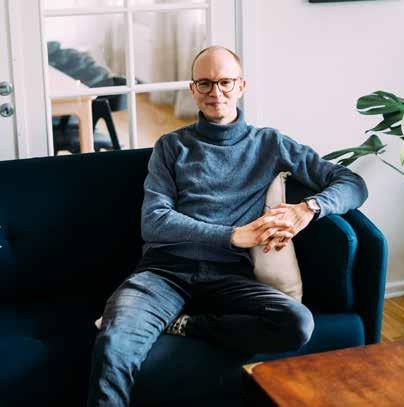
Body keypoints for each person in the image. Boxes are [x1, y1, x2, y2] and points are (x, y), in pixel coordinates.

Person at [87, 46, 368, 406]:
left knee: (297, 323)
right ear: (193, 90)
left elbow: (352, 183)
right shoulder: (171, 146)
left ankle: (186, 324)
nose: (215, 92)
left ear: (241, 86)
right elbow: (154, 220)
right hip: (164, 272)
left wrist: (309, 209)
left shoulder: (270, 144)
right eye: (205, 83)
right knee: (114, 344)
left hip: (229, 279)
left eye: (225, 82)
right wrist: (232, 235)